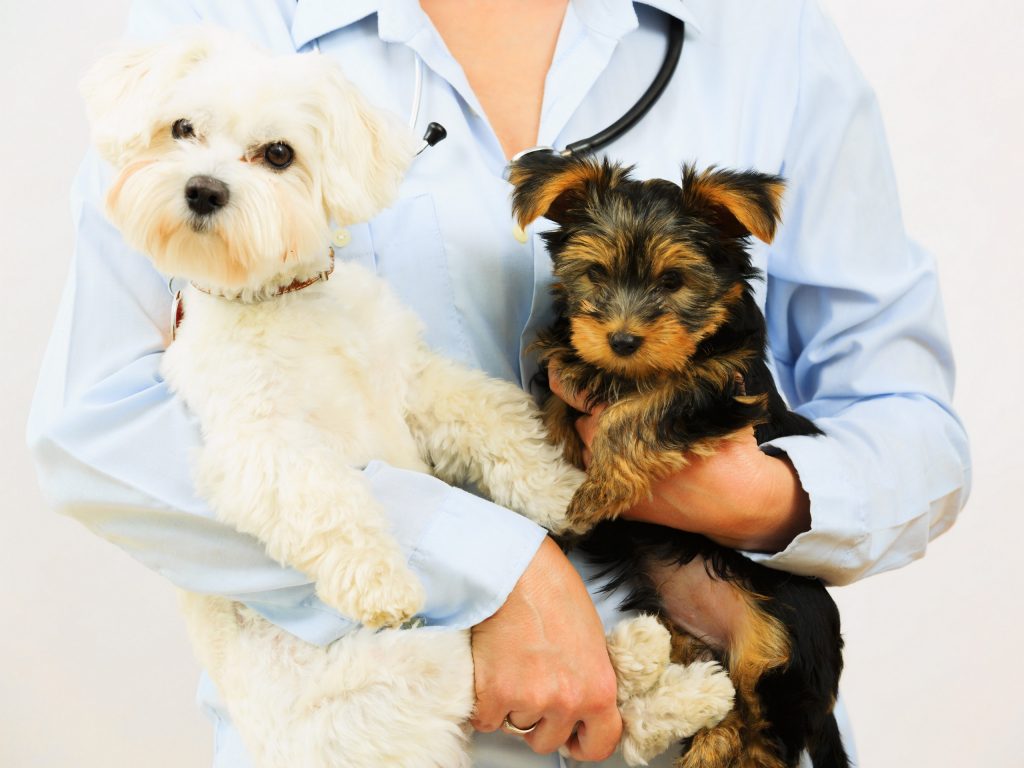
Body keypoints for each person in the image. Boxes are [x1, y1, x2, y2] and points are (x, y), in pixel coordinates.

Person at [28, 1, 971, 766]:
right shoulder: (217, 27)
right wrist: (488, 568)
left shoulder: (768, 35)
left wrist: (759, 497)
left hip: (723, 728)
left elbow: (912, 426)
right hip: (379, 736)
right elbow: (97, 429)